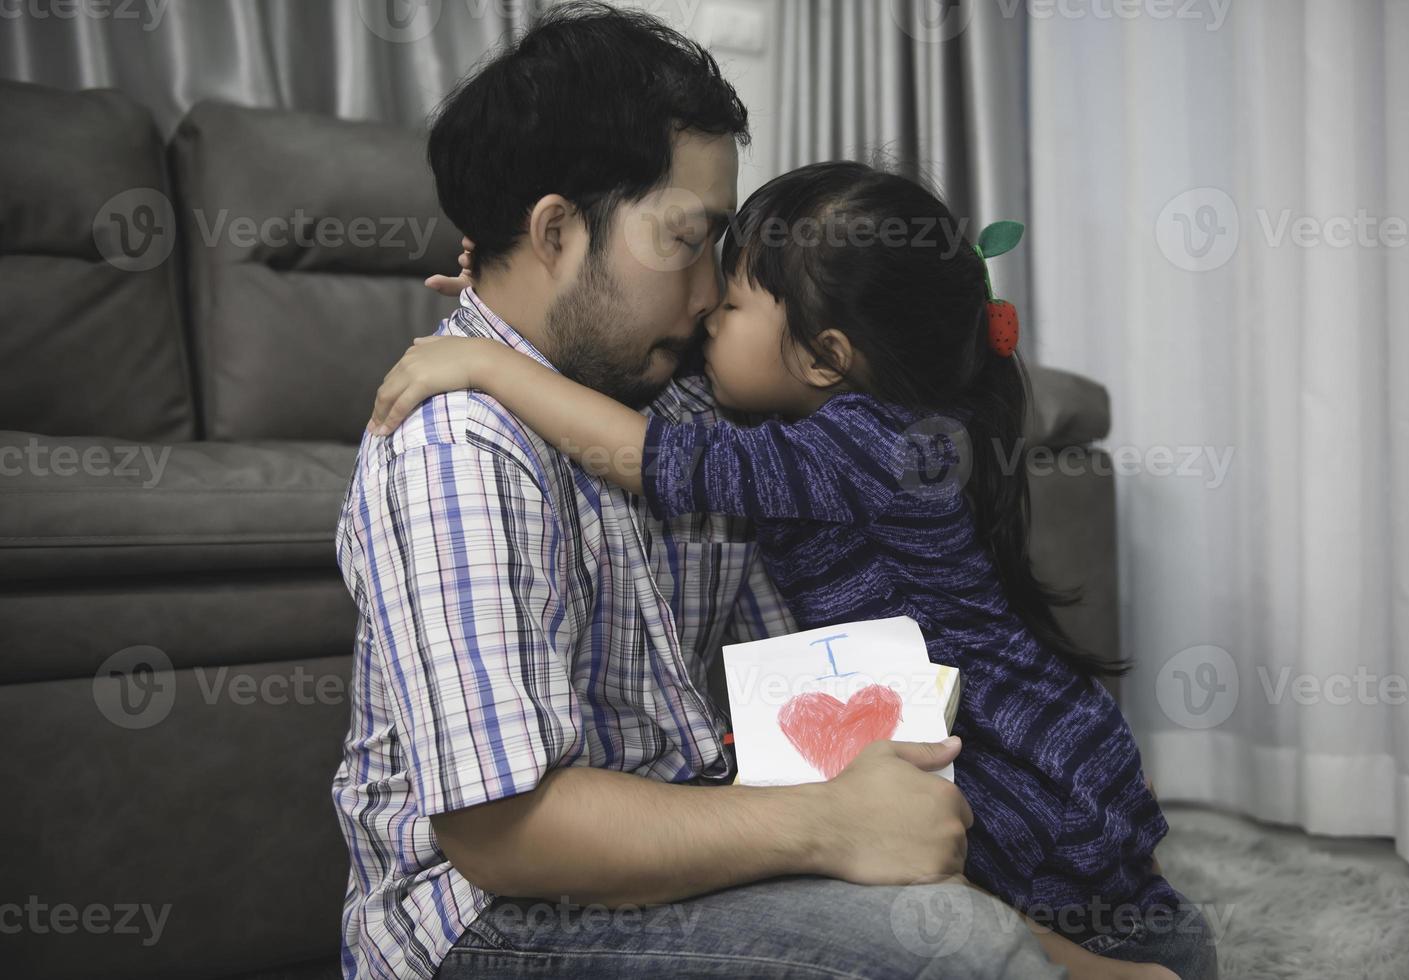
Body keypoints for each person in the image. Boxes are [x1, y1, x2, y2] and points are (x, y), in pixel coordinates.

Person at [335, 3, 1182, 978]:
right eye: (689, 243)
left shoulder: (678, 390)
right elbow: (503, 836)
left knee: (1164, 939)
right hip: (502, 920)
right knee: (962, 950)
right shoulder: (459, 439)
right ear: (559, 232)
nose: (708, 296)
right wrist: (824, 825)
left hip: (696, 838)